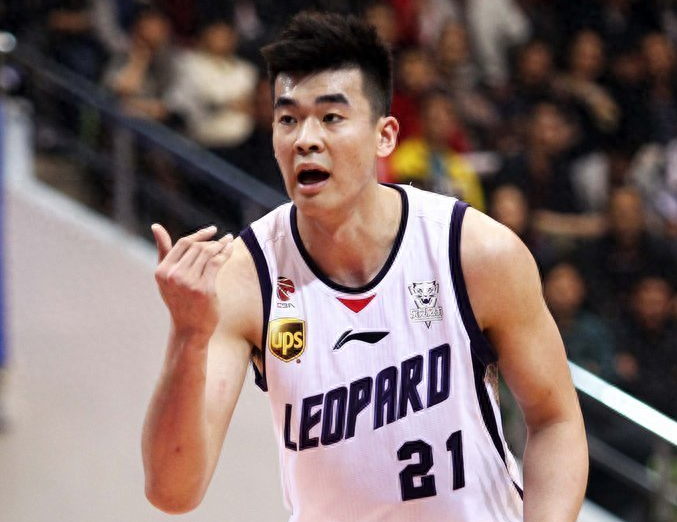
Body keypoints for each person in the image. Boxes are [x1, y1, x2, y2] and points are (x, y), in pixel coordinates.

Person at [142, 11, 588, 521]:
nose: (305, 139)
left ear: (384, 136)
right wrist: (188, 336)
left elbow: (555, 421)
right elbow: (173, 492)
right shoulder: (246, 277)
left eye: (331, 117)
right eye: (288, 119)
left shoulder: (474, 252)